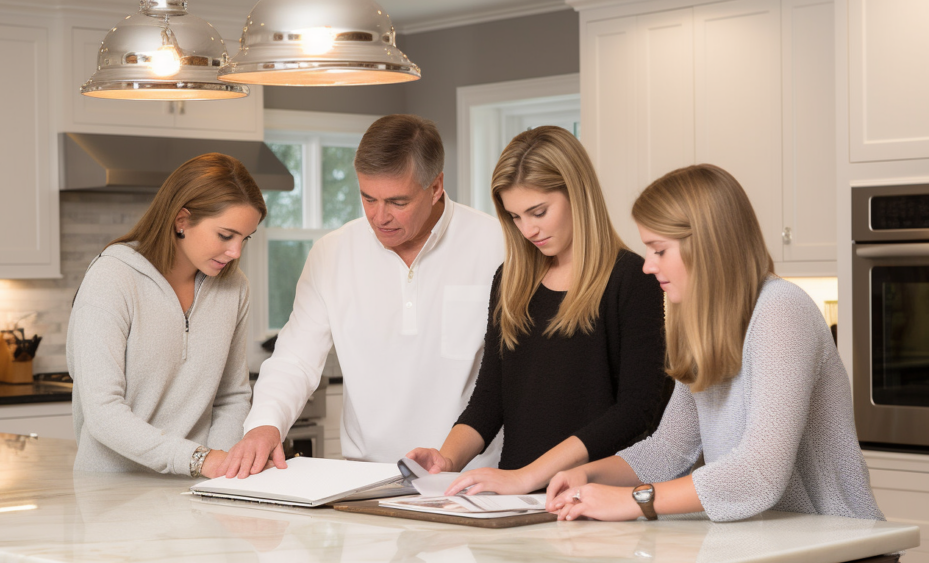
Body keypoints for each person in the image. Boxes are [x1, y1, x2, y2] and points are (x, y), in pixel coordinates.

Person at [545, 163, 887, 521]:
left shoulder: (780, 310)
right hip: (775, 547)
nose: (647, 266)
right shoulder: (703, 327)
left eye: (659, 250)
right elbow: (669, 449)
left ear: (706, 247)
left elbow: (759, 474)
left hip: (845, 551)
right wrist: (586, 475)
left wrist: (634, 500)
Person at [221, 114, 505, 477]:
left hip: (474, 478)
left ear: (436, 187)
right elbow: (295, 359)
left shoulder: (498, 244)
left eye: (397, 202)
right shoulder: (332, 253)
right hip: (366, 481)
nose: (379, 217)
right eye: (368, 198)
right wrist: (264, 424)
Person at [405, 126, 671, 495]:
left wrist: (530, 474)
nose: (527, 229)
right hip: (515, 499)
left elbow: (634, 411)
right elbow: (489, 399)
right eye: (515, 216)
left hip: (595, 498)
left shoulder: (632, 280)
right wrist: (447, 460)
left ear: (577, 193)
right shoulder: (511, 280)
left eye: (538, 212)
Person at [67, 153, 264, 478]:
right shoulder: (112, 278)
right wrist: (200, 460)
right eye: (226, 235)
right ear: (181, 220)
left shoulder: (234, 287)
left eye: (246, 238)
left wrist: (222, 474)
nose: (236, 252)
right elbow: (103, 413)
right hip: (110, 499)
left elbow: (232, 396)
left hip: (196, 494)